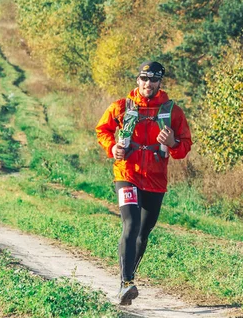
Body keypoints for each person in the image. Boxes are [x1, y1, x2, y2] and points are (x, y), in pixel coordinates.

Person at [95, 61, 192, 305]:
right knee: (131, 224)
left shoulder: (173, 112)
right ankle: (125, 283)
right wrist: (113, 147)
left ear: (160, 82)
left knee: (144, 231)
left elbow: (184, 147)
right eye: (144, 78)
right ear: (137, 80)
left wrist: (172, 143)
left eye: (153, 79)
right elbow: (102, 130)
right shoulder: (121, 106)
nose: (148, 84)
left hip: (156, 179)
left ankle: (129, 277)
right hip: (127, 173)